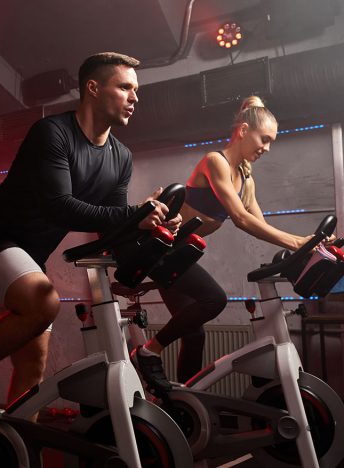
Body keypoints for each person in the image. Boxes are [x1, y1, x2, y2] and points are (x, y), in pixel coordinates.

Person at [0, 52, 178, 429]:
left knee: (34, 365)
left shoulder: (121, 157)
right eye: (124, 87)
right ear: (93, 88)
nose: (135, 97)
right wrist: (135, 214)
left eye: (137, 90)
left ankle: (17, 445)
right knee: (43, 303)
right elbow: (62, 208)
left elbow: (112, 225)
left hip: (27, 256)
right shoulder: (52, 133)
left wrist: (151, 228)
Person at [131, 96, 315, 395]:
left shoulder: (245, 178)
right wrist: (298, 242)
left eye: (271, 142)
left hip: (179, 254)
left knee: (194, 334)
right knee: (214, 300)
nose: (266, 148)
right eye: (264, 139)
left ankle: (183, 402)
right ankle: (148, 352)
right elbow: (241, 219)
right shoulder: (214, 161)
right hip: (161, 249)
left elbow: (260, 226)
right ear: (243, 131)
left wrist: (305, 246)